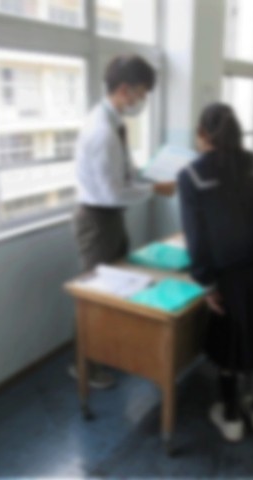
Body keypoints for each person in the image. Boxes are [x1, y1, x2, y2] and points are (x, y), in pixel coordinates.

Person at [177, 103, 253, 442]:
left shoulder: (191, 175)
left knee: (229, 350)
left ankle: (231, 418)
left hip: (230, 277)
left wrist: (207, 283)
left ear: (202, 134)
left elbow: (196, 239)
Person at [70, 55, 176, 389]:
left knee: (117, 288)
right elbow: (112, 192)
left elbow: (123, 174)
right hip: (97, 219)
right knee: (96, 296)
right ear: (125, 89)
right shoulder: (102, 131)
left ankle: (109, 354)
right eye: (142, 93)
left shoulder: (113, 121)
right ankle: (85, 367)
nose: (142, 100)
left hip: (110, 217)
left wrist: (148, 175)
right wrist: (154, 189)